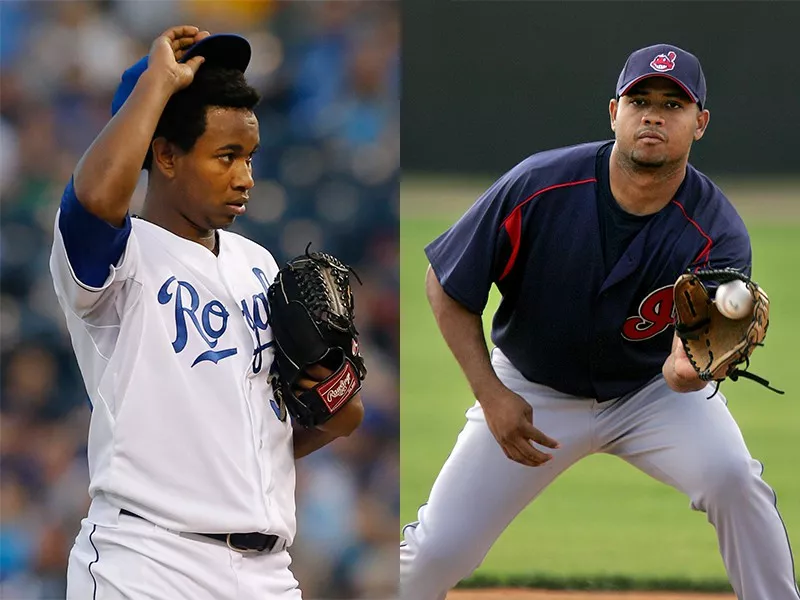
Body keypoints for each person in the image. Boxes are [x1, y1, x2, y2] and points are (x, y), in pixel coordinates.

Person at [399, 44, 798, 599]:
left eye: (673, 104)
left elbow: (688, 361)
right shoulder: (538, 186)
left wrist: (688, 373)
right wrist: (490, 394)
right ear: (614, 112)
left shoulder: (717, 232)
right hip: (530, 386)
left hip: (650, 394)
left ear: (700, 123)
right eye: (639, 100)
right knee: (435, 552)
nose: (653, 114)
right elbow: (446, 286)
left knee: (735, 481)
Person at [49, 26, 364, 599]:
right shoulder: (120, 258)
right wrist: (158, 83)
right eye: (226, 156)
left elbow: (306, 422)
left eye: (249, 157)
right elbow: (94, 199)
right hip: (147, 562)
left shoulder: (259, 265)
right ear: (163, 154)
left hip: (266, 572)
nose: (245, 177)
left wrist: (335, 396)